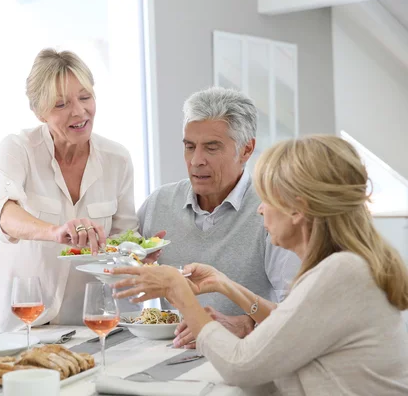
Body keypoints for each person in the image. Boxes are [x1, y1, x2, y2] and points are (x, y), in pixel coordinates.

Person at [112, 135, 408, 395]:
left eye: (267, 198)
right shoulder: (344, 267)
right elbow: (283, 333)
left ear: (297, 209)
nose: (260, 208)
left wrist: (181, 294)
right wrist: (225, 285)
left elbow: (240, 366)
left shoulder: (341, 273)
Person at [0, 48, 137, 332]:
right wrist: (54, 232)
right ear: (39, 112)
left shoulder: (118, 159)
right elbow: (3, 213)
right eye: (61, 104)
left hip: (83, 317)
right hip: (19, 314)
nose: (79, 111)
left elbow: (124, 234)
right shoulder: (19, 149)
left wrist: (137, 254)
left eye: (85, 97)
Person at [137, 87, 300, 343]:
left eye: (212, 148)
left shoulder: (272, 208)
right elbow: (122, 282)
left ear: (246, 150)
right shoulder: (158, 204)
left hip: (248, 355)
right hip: (170, 353)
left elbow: (296, 313)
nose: (196, 161)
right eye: (190, 147)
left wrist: (246, 325)